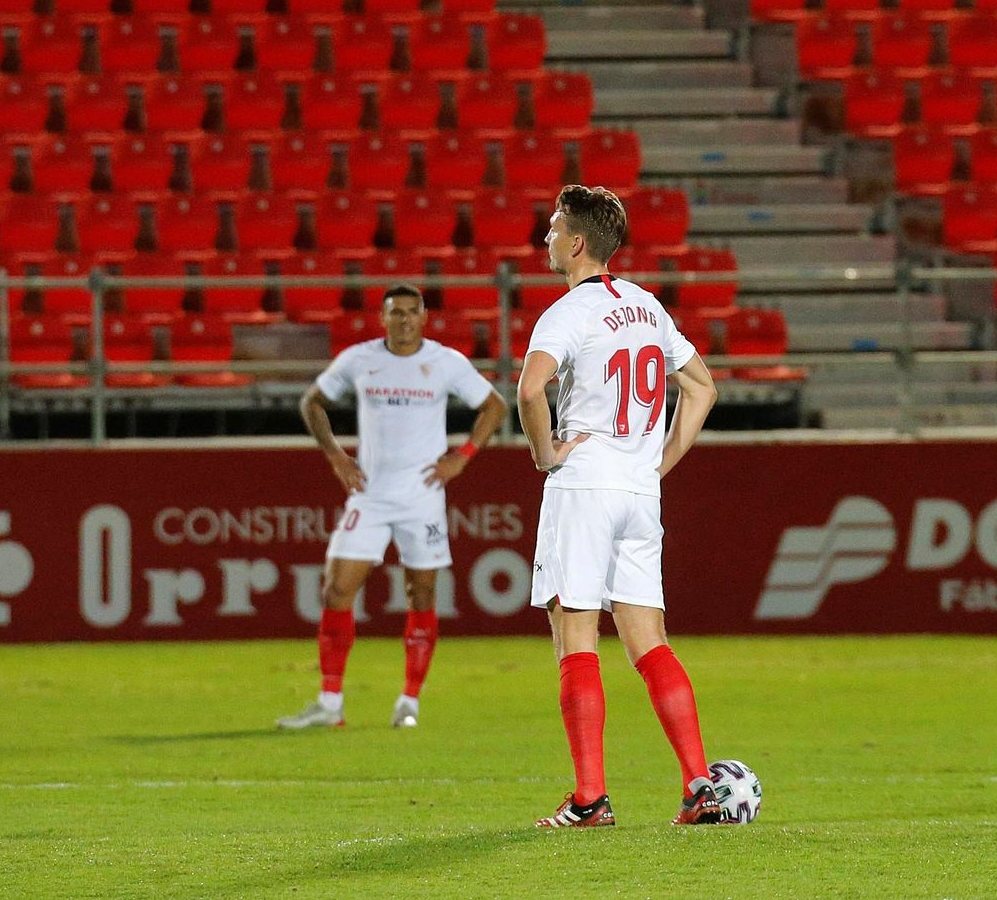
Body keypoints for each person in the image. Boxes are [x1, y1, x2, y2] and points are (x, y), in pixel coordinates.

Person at [515, 185, 722, 828]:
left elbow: (530, 390)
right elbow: (702, 388)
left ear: (577, 242)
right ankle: (699, 787)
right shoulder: (647, 306)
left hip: (583, 486)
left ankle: (590, 799)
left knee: (575, 637)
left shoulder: (566, 312)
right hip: (638, 492)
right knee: (649, 642)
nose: (547, 237)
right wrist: (657, 465)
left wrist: (545, 453)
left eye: (554, 228)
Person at [277, 284, 508, 730]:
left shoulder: (445, 362)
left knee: (420, 594)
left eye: (411, 312)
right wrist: (335, 456)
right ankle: (330, 702)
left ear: (424, 318)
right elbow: (312, 402)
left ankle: (409, 701)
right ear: (382, 318)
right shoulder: (360, 359)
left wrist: (462, 457)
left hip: (423, 497)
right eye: (395, 312)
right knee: (336, 590)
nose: (404, 320)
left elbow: (494, 407)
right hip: (371, 495)